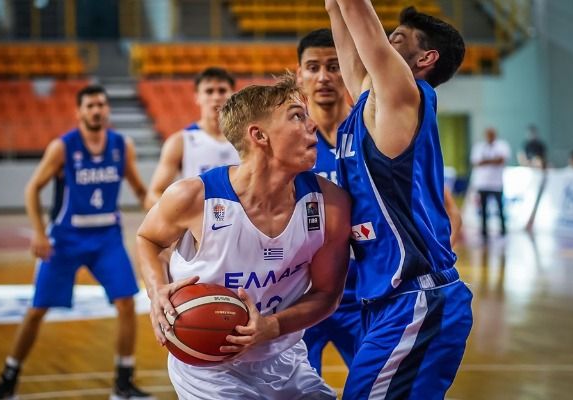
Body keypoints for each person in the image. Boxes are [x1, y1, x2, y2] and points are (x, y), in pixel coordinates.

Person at [136, 74, 351, 400]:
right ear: (259, 135)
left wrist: (271, 326)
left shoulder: (330, 204)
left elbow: (327, 294)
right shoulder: (193, 197)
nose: (312, 125)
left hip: (286, 360)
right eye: (297, 116)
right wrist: (157, 292)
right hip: (209, 371)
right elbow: (148, 238)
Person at [326, 2, 473, 399]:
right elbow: (340, 18)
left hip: (416, 297)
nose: (385, 42)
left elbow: (355, 10)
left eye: (398, 39)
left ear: (425, 58)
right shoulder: (371, 104)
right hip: (389, 299)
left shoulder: (402, 95)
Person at [0, 85, 153, 400]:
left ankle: (123, 384)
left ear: (107, 109)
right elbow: (32, 188)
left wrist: (159, 216)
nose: (97, 110)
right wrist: (39, 233)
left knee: (127, 303)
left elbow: (140, 190)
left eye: (101, 105)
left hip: (106, 237)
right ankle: (8, 381)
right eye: (90, 106)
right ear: (79, 112)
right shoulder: (63, 147)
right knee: (37, 309)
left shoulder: (121, 146)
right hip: (65, 238)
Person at [296, 28, 362, 376]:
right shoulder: (287, 141)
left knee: (378, 391)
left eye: (334, 66)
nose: (323, 77)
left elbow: (443, 209)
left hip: (366, 293)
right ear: (299, 76)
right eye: (313, 67)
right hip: (300, 294)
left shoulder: (374, 132)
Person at [144, 67, 240, 209]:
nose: (216, 97)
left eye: (222, 90)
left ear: (233, 94)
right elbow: (153, 195)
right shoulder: (180, 141)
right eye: (209, 91)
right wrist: (181, 212)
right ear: (197, 97)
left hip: (239, 220)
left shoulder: (247, 139)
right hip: (198, 221)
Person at [470, 127, 511, 239]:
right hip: (482, 183)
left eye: (492, 134)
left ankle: (503, 230)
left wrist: (485, 161)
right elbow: (476, 162)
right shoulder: (479, 147)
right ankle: (484, 231)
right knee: (483, 209)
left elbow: (501, 160)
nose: (490, 136)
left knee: (500, 208)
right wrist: (493, 160)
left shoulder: (502, 145)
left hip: (496, 184)